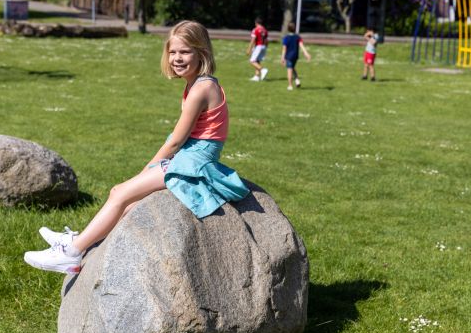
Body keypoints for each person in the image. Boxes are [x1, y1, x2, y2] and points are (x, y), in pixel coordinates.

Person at [24, 20, 251, 275]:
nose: (177, 58)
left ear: (202, 53)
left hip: (194, 163)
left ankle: (71, 253)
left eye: (185, 52)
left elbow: (176, 140)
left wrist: (150, 168)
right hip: (189, 156)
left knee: (119, 193)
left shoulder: (202, 88)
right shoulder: (195, 84)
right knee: (130, 203)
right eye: (173, 52)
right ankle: (80, 242)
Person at [281, 22, 311, 91]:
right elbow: (302, 46)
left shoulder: (286, 38)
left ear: (288, 29)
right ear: (294, 29)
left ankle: (290, 85)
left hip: (289, 56)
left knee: (289, 70)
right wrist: (306, 53)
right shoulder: (298, 37)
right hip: (295, 56)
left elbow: (284, 49)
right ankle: (297, 80)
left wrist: (282, 57)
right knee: (292, 67)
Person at [246, 17, 269, 82]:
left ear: (256, 23)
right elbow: (266, 40)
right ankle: (257, 76)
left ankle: (262, 70)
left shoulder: (255, 30)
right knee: (257, 61)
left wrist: (249, 49)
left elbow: (253, 40)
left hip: (258, 46)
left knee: (252, 61)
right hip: (264, 46)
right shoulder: (265, 30)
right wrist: (265, 47)